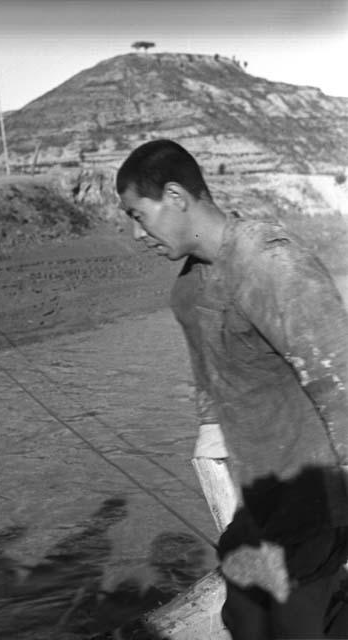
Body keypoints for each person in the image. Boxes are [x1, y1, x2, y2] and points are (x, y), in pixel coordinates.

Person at [115, 139, 348, 639]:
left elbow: (340, 381)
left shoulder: (269, 265)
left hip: (315, 501)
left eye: (138, 214)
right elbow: (210, 391)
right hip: (260, 502)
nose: (136, 234)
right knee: (242, 617)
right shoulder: (188, 290)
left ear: (176, 195)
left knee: (293, 625)